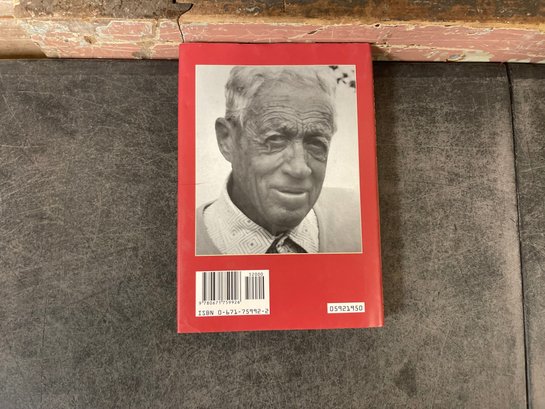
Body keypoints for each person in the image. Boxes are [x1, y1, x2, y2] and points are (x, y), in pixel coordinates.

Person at [196, 66, 361, 255]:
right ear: (228, 140)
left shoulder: (357, 222)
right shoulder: (183, 241)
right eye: (275, 139)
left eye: (316, 143)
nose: (299, 169)